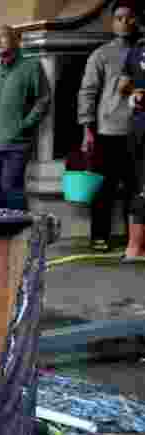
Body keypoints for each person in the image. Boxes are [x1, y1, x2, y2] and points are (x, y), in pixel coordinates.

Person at [78, 2, 141, 253]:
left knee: (137, 189)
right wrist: (87, 129)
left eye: (129, 17)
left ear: (136, 20)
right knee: (104, 188)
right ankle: (99, 236)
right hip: (109, 131)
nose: (124, 22)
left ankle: (133, 239)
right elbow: (88, 92)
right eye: (119, 17)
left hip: (139, 131)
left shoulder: (142, 52)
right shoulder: (101, 55)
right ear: (112, 22)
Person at [0, 25, 51, 211]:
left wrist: (25, 125)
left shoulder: (31, 67)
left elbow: (43, 99)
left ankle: (20, 228)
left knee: (11, 190)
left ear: (17, 40)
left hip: (17, 143)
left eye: (3, 36)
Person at [117, 20, 145, 261]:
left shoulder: (135, 52)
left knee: (138, 184)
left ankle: (134, 248)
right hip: (140, 127)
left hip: (137, 126)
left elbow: (123, 86)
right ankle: (135, 248)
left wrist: (134, 93)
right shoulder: (135, 53)